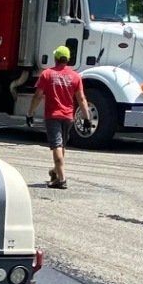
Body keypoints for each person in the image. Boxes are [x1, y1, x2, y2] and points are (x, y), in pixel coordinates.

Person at [32, 45, 88, 188]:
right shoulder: (75, 76)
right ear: (68, 59)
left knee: (56, 145)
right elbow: (81, 99)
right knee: (61, 145)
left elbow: (38, 95)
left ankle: (61, 179)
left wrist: (30, 112)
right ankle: (56, 172)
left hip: (53, 115)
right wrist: (87, 118)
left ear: (56, 58)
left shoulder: (47, 74)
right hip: (68, 117)